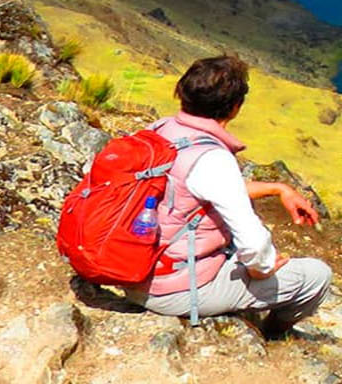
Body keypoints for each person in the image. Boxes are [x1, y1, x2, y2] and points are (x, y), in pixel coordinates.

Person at [124, 53, 330, 338]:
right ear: (234, 107)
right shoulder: (211, 158)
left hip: (131, 270)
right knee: (316, 276)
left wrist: (277, 188)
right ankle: (273, 336)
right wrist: (263, 269)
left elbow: (196, 186)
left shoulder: (159, 131)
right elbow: (255, 245)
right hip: (171, 290)